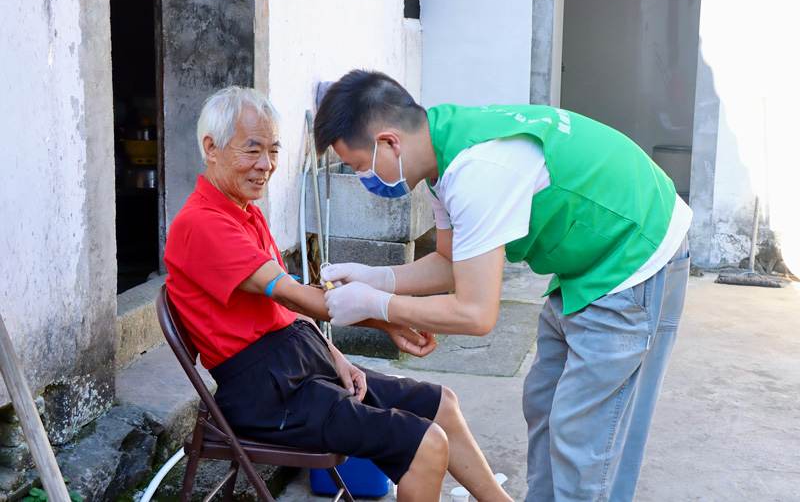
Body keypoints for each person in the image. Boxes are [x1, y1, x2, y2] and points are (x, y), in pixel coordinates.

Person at [314, 70, 692, 502]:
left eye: (361, 166)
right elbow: (453, 262)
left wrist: (377, 305)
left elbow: (476, 313)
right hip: (588, 257)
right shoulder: (441, 150)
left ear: (389, 142)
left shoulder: (477, 170)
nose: (364, 179)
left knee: (585, 432)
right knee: (545, 404)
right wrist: (377, 277)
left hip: (634, 251)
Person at [163, 86, 512, 502]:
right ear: (212, 148)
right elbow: (293, 295)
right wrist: (384, 320)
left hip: (300, 364)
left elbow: (290, 311)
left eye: (273, 151)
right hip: (268, 393)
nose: (266, 165)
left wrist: (338, 357)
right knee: (426, 444)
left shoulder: (245, 212)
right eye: (252, 150)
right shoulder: (201, 224)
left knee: (442, 404)